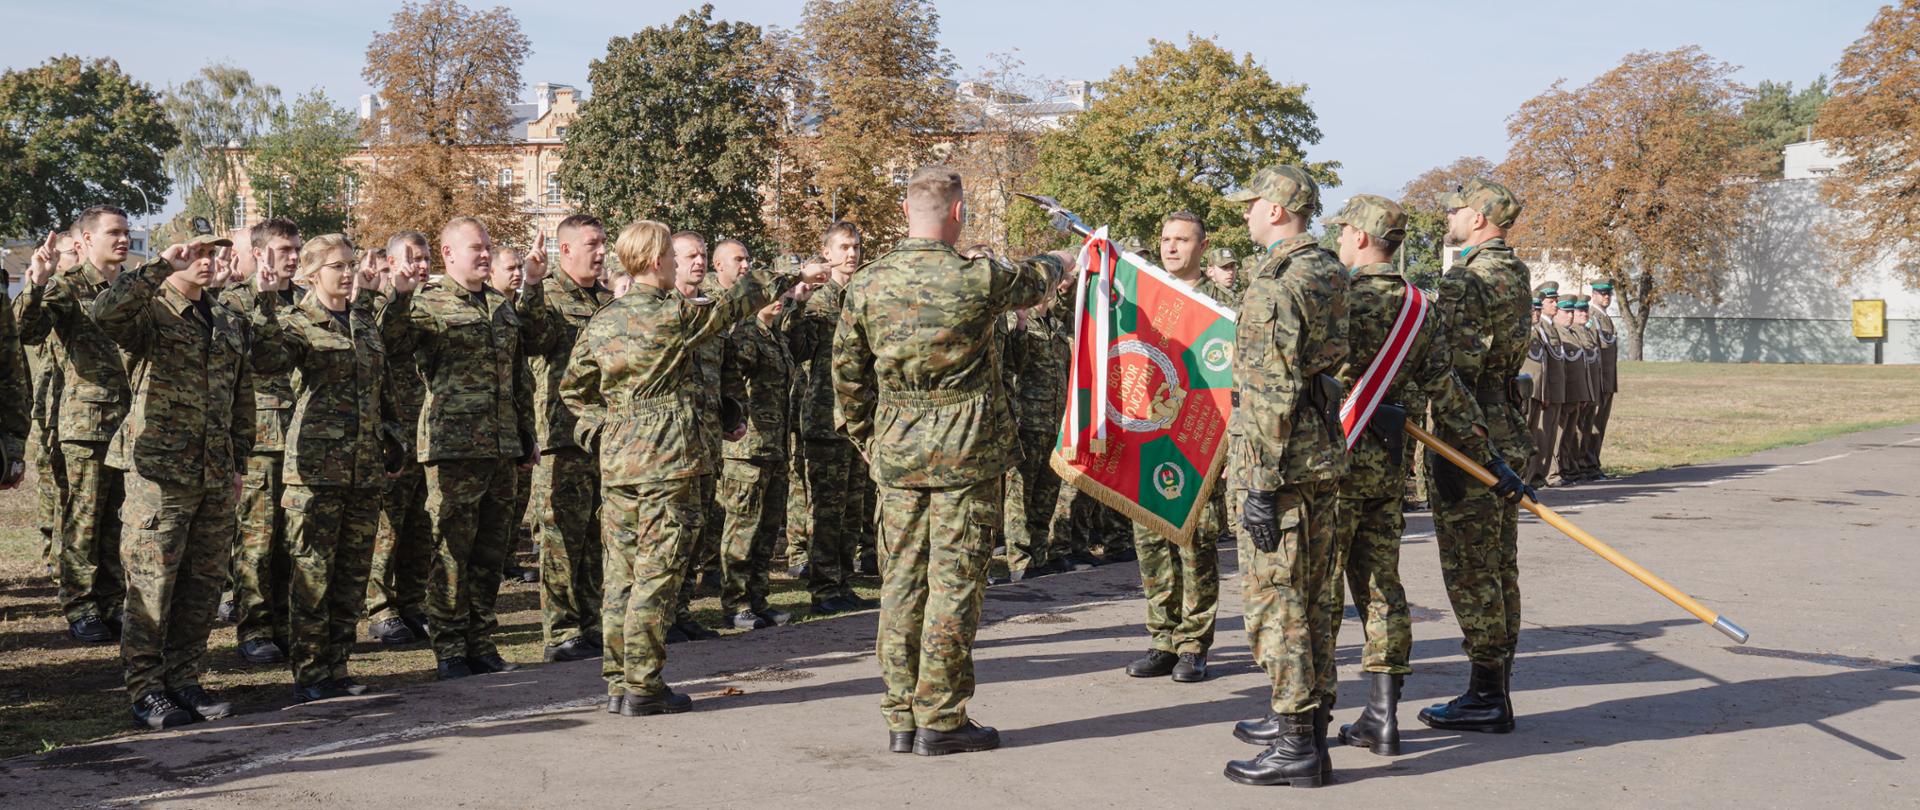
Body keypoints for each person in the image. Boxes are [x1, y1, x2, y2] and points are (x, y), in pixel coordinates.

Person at [832, 165, 1071, 756]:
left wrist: (871, 438)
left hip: (897, 449)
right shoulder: (978, 278)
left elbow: (848, 376)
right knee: (955, 584)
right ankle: (940, 716)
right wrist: (1069, 254)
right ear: (958, 214)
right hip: (966, 453)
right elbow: (1038, 278)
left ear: (907, 212)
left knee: (901, 582)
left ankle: (900, 713)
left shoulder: (867, 283)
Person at [560, 220, 824, 716]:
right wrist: (795, 269)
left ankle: (618, 681)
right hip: (668, 461)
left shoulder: (604, 319)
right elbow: (743, 298)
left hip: (620, 464)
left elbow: (575, 389)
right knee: (657, 575)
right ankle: (643, 684)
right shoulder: (675, 315)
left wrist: (600, 428)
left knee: (620, 575)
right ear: (657, 260)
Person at [1316, 194, 1527, 758]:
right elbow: (1447, 389)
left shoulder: (1339, 298)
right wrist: (1493, 457)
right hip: (1389, 463)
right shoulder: (1419, 306)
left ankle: (1307, 718)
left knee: (1319, 587)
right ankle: (1383, 715)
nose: (1338, 241)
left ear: (1359, 237)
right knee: (1383, 585)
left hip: (1332, 459)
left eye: (1342, 232)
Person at [1217, 165, 1349, 787]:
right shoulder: (1327, 269)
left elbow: (1271, 391)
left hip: (1280, 462)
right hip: (1319, 454)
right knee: (1318, 596)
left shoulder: (1277, 284)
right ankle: (1311, 722)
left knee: (1279, 601)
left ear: (1275, 210)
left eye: (1251, 205)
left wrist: (1262, 484)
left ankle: (1296, 740)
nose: (1245, 215)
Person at [93, 223, 253, 730]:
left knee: (201, 585)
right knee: (153, 584)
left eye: (214, 253)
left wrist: (238, 463)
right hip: (159, 474)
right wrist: (162, 262)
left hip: (212, 474)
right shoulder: (150, 313)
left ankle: (185, 680)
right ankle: (146, 689)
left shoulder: (226, 319)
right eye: (198, 252)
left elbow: (240, 398)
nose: (205, 261)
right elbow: (105, 313)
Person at [378, 217, 546, 680]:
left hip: (502, 446)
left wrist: (526, 435)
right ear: (450, 255)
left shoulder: (500, 306)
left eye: (489, 246)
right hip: (453, 448)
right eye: (477, 248)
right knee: (451, 550)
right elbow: (390, 346)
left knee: (492, 552)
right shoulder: (427, 303)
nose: (486, 254)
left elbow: (521, 374)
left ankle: (480, 640)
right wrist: (398, 294)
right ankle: (450, 646)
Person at [249, 234, 403, 701]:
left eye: (351, 264)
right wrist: (264, 302)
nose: (348, 273)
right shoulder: (296, 323)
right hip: (315, 470)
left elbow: (383, 386)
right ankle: (312, 673)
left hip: (363, 470)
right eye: (337, 266)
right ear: (312, 274)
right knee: (313, 573)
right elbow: (263, 361)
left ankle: (338, 666)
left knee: (352, 576)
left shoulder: (362, 322)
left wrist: (392, 437)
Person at [1416, 178, 1535, 736]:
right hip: (1508, 425)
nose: (1450, 217)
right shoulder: (1514, 271)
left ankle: (1487, 694)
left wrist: (1460, 441)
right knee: (1499, 565)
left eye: (1457, 211)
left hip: (1473, 434)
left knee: (1471, 569)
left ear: (1481, 220)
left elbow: (1456, 370)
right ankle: (1496, 687)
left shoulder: (1466, 279)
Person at [1122, 211, 1235, 685]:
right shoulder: (1144, 301)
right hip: (1150, 438)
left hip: (1197, 444)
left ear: (1202, 247)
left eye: (1181, 240)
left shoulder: (1224, 309)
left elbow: (1233, 382)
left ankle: (1194, 642)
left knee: (1196, 544)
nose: (1171, 248)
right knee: (1151, 542)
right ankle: (1162, 638)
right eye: (1166, 239)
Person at [16, 207, 135, 644]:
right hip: (86, 424)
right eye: (113, 233)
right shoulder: (67, 287)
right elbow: (24, 331)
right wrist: (38, 282)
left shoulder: (129, 288)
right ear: (84, 240)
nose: (122, 240)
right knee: (83, 519)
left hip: (130, 423)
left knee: (118, 520)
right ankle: (80, 604)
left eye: (126, 232)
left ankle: (112, 601)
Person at [524, 215, 613, 663]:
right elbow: (532, 338)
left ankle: (592, 621)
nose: (601, 252)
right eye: (592, 245)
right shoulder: (550, 296)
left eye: (603, 244)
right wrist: (533, 285)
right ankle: (561, 631)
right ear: (565, 250)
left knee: (598, 536)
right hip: (563, 435)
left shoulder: (608, 298)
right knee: (560, 538)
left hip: (606, 435)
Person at [221, 218, 302, 665]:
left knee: (294, 540)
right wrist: (266, 301)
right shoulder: (233, 301)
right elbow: (251, 359)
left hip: (302, 436)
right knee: (257, 539)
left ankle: (287, 625)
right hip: (260, 436)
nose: (291, 256)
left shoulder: (307, 300)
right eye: (283, 248)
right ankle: (254, 627)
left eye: (295, 248)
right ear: (258, 252)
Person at [717, 239, 805, 630]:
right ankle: (736, 603)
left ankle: (758, 597)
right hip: (747, 448)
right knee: (742, 530)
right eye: (771, 296)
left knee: (768, 530)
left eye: (781, 297)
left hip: (774, 447)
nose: (778, 301)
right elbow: (734, 379)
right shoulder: (745, 335)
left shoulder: (776, 337)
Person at [797, 222, 877, 616]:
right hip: (827, 418)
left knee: (852, 507)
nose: (852, 254)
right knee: (827, 510)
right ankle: (824, 586)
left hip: (859, 418)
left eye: (857, 247)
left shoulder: (864, 295)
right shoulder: (818, 300)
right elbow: (798, 348)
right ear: (826, 253)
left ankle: (844, 581)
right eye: (844, 247)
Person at [365, 232, 436, 646]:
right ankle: (380, 608)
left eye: (424, 258)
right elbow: (388, 343)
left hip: (428, 430)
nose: (420, 266)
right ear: (389, 263)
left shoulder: (432, 302)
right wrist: (400, 294)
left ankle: (413, 603)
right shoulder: (378, 305)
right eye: (411, 258)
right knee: (387, 526)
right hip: (394, 431)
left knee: (419, 525)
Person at [667, 231, 725, 641]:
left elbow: (726, 372)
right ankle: (664, 614)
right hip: (671, 445)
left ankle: (682, 609)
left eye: (703, 255)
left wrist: (733, 409)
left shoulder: (712, 312)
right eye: (691, 255)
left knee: (698, 531)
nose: (699, 262)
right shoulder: (664, 311)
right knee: (672, 533)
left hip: (708, 440)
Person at [999, 273, 1073, 582]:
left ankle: (1039, 556)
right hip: (1027, 422)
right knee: (1020, 497)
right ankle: (1019, 560)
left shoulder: (1055, 326)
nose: (1047, 293)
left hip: (1054, 423)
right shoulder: (1020, 324)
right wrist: (1020, 323)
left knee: (1046, 494)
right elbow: (1014, 363)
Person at [1550, 296, 1589, 486]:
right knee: (1558, 435)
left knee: (1568, 435)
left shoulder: (1571, 332)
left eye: (1572, 312)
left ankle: (1566, 468)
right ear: (1557, 313)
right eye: (1567, 312)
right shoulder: (1557, 332)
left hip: (1574, 393)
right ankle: (1555, 471)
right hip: (1564, 392)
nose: (1571, 315)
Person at [1584, 281, 1619, 477]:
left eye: (1608, 294)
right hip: (1597, 381)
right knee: (1592, 425)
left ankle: (1593, 462)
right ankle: (1588, 464)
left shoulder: (1605, 317)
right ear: (1594, 294)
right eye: (1602, 294)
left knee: (1600, 424)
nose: (1606, 297)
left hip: (1607, 380)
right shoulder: (1592, 317)